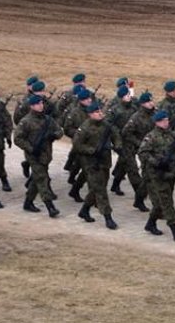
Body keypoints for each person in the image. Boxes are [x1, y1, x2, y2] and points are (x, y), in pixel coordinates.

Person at [138, 110, 175, 243]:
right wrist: (157, 162)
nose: (166, 123)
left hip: (170, 174)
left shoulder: (173, 136)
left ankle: (150, 223)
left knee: (162, 202)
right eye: (162, 121)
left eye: (167, 120)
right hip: (156, 174)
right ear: (156, 122)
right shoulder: (151, 137)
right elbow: (142, 153)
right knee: (166, 202)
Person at [73, 101, 122, 230]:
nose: (100, 113)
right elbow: (77, 145)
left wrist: (117, 145)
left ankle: (84, 210)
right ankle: (108, 217)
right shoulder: (85, 128)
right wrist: (91, 150)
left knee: (97, 188)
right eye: (96, 112)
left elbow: (115, 134)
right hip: (91, 163)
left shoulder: (106, 124)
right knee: (100, 190)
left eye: (100, 111)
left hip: (105, 161)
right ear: (90, 114)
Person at [13, 94, 63, 217]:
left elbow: (60, 131)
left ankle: (28, 202)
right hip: (33, 156)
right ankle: (50, 207)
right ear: (31, 106)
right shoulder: (26, 121)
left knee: (36, 179)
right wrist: (30, 148)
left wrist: (54, 135)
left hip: (46, 154)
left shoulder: (48, 119)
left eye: (41, 103)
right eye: (37, 104)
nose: (40, 106)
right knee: (42, 179)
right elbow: (18, 138)